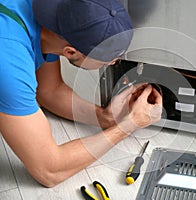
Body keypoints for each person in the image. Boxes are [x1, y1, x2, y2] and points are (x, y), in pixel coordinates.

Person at [0, 0, 162, 188]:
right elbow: (48, 170)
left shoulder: (55, 20)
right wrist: (128, 126)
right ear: (70, 52)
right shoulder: (9, 61)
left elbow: (48, 91)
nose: (112, 63)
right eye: (106, 61)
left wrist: (105, 117)